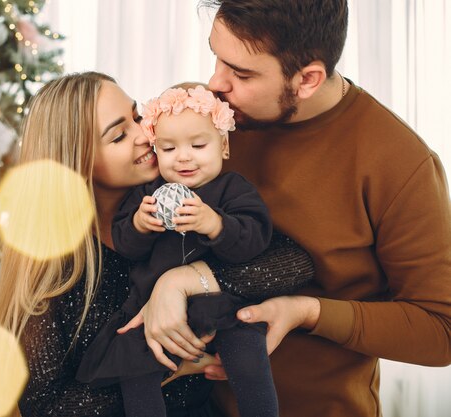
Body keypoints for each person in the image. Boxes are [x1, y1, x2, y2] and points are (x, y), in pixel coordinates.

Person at [129, 1, 451, 416]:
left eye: (241, 73)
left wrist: (306, 312)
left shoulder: (399, 163)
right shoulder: (205, 121)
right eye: (216, 57)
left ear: (307, 80)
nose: (214, 82)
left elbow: (440, 330)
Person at [0, 71, 315, 417]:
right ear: (79, 163)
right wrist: (168, 366)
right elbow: (47, 408)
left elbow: (292, 262)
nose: (144, 136)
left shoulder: (186, 184)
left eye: (137, 116)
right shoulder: (56, 269)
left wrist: (177, 283)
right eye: (118, 135)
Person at [77, 83, 291, 417]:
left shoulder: (233, 190)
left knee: (249, 358)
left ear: (223, 146)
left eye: (198, 145)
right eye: (168, 148)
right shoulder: (146, 195)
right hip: (152, 310)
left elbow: (255, 241)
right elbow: (126, 248)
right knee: (137, 372)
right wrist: (139, 225)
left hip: (220, 305)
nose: (184, 156)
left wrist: (215, 225)